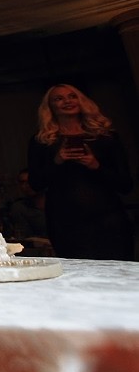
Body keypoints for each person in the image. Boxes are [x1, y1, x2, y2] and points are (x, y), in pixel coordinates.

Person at [27, 83, 135, 260]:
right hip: (65, 223)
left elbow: (125, 185)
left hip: (108, 219)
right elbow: (35, 184)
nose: (67, 101)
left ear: (81, 101)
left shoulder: (105, 136)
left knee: (118, 268)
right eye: (59, 98)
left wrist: (95, 166)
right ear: (50, 107)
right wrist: (57, 162)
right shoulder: (42, 141)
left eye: (72, 96)